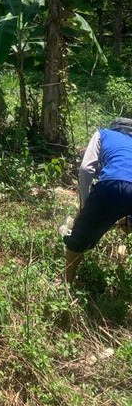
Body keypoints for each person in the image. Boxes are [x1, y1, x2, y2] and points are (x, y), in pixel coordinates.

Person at [63, 117, 132, 284]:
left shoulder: (103, 134)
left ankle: (65, 283)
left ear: (114, 128)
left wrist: (85, 207)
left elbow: (86, 169)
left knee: (79, 238)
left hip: (111, 185)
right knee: (127, 227)